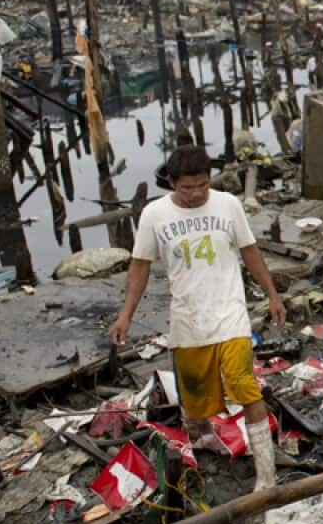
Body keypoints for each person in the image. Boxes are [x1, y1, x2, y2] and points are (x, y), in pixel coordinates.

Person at [110, 146, 286, 493]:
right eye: (186, 187)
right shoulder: (154, 215)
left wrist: (272, 294)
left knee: (245, 387)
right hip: (188, 319)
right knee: (194, 399)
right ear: (172, 182)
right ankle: (204, 439)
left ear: (211, 180)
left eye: (202, 185)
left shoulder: (228, 205)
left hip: (231, 314)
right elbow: (140, 266)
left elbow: (250, 251)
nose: (195, 194)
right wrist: (125, 315)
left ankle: (267, 474)